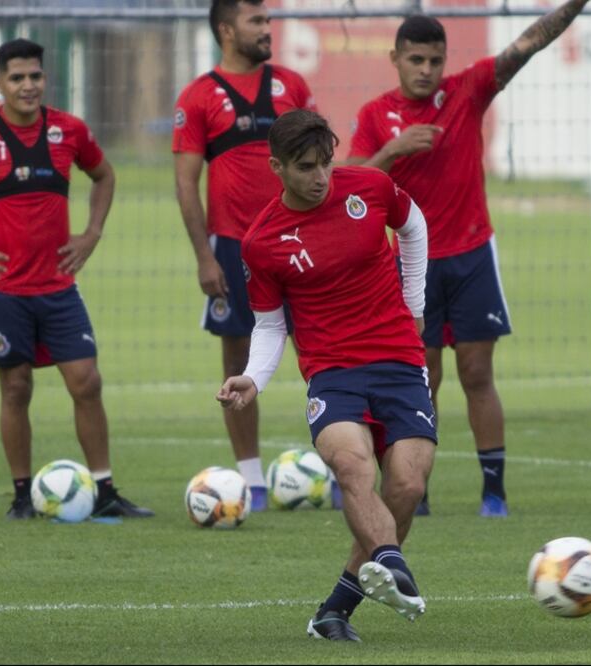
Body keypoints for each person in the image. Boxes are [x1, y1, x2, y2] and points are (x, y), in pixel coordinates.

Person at [346, 2, 590, 517]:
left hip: (473, 252)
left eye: (434, 60)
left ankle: (494, 492)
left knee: (477, 373)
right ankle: (419, 490)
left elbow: (529, 43)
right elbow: (349, 184)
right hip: (412, 263)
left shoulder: (467, 89)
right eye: (416, 59)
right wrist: (392, 150)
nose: (426, 70)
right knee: (421, 376)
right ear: (395, 58)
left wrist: (574, 5)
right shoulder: (375, 117)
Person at [0, 39, 153, 520]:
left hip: (59, 287)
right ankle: (23, 496)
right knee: (15, 388)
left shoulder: (68, 130)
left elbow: (104, 176)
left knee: (87, 382)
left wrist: (92, 233)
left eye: (35, 76)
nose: (28, 85)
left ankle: (104, 491)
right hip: (4, 289)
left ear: (45, 79)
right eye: (16, 78)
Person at [217, 110, 435, 642]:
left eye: (326, 164)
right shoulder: (262, 241)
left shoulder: (370, 187)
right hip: (333, 373)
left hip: (400, 359)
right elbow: (269, 326)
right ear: (277, 167)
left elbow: (413, 225)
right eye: (306, 167)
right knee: (354, 468)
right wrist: (252, 377)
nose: (321, 177)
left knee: (406, 483)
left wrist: (415, 303)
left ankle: (333, 611)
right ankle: (390, 560)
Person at [173, 0, 316, 510]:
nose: (267, 29)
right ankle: (252, 482)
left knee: (323, 356)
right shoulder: (198, 97)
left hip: (297, 239)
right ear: (226, 31)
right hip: (232, 246)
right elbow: (186, 183)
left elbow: (322, 163)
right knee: (237, 357)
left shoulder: (292, 87)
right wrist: (203, 256)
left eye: (268, 20)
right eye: (257, 22)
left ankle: (344, 470)